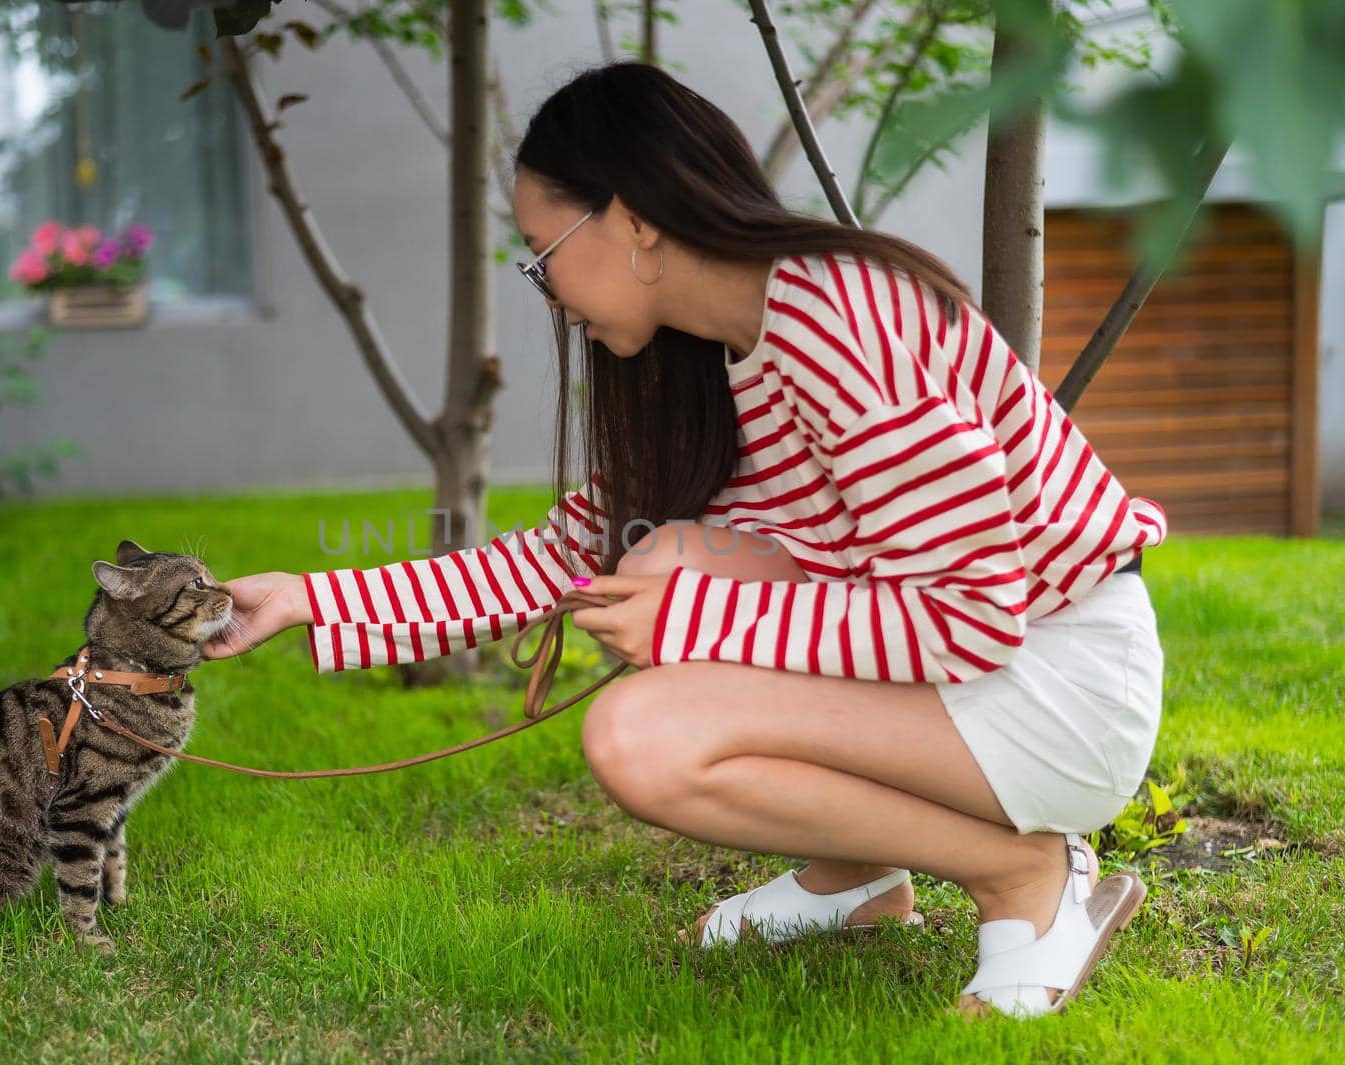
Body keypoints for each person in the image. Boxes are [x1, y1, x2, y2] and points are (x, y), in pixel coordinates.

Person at [202, 62, 1166, 1020]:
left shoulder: (839, 316)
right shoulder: (708, 357)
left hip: (1059, 680)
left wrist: (697, 616)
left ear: (634, 219)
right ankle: (858, 873)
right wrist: (309, 600)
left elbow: (969, 616)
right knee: (660, 556)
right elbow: (555, 557)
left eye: (543, 254)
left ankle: (1026, 879)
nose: (545, 290)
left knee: (642, 727)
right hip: (978, 675)